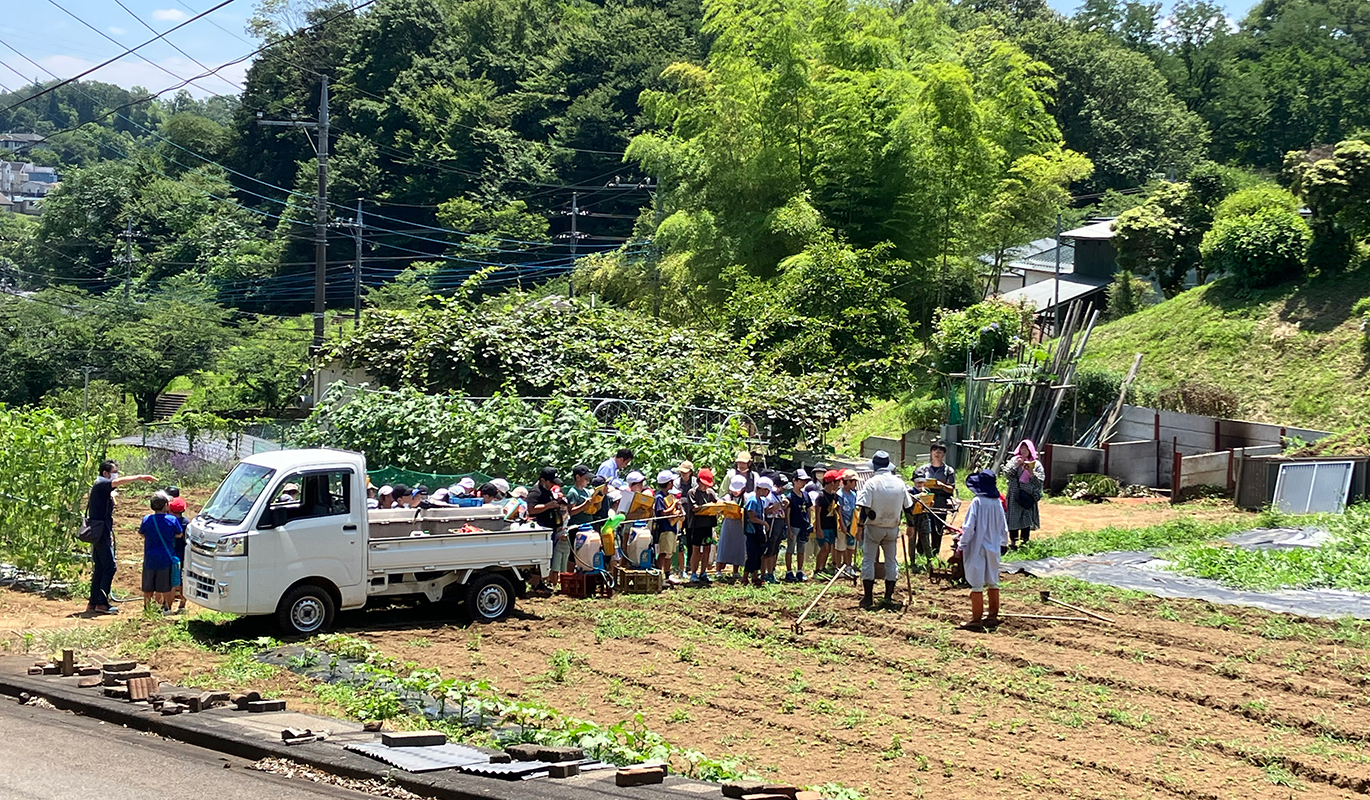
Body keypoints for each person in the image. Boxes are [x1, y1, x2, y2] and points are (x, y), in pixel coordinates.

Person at [85, 460, 157, 615]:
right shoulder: (102, 485)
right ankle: (102, 603)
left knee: (100, 567)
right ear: (105, 473)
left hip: (100, 531)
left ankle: (93, 602)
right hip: (101, 532)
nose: (116, 475)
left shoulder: (99, 487)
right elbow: (118, 482)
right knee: (110, 566)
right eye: (114, 471)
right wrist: (140, 477)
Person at [855, 451, 913, 610]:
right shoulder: (899, 483)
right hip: (892, 528)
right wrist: (911, 525)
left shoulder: (871, 483)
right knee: (891, 561)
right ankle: (888, 596)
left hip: (874, 527)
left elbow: (865, 508)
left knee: (868, 560)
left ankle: (868, 598)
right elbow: (908, 507)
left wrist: (859, 527)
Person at [958, 471, 1010, 630]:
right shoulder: (997, 503)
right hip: (994, 546)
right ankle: (992, 615)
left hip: (977, 547)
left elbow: (968, 528)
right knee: (993, 581)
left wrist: (961, 545)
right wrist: (1003, 544)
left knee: (977, 584)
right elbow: (1003, 528)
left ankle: (976, 619)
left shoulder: (977, 502)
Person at [140, 492, 182, 613]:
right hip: (166, 558)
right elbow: (179, 534)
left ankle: (147, 608)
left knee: (148, 586)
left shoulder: (147, 519)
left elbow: (142, 533)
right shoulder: (172, 519)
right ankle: (167, 608)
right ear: (165, 506)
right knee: (167, 586)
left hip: (150, 558)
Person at [913, 443, 956, 558]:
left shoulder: (948, 471)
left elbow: (951, 489)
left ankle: (934, 554)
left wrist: (941, 485)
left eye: (940, 451)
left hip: (941, 503)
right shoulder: (923, 469)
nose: (937, 453)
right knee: (923, 528)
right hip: (926, 502)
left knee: (938, 529)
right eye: (935, 451)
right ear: (931, 453)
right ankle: (921, 553)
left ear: (944, 455)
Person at [1004, 439, 1045, 548]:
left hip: (1028, 495)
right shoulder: (1014, 460)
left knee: (1026, 519)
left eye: (1026, 448)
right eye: (1022, 448)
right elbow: (1007, 474)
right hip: (1015, 495)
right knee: (1013, 518)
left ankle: (1024, 542)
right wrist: (1016, 465)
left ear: (1030, 450)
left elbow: (1040, 481)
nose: (1023, 451)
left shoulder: (1036, 464)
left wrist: (1031, 472)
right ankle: (1013, 542)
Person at [682, 467, 718, 584]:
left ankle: (703, 572)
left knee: (707, 548)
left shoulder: (710, 493)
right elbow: (694, 508)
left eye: (707, 485)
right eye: (703, 484)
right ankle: (693, 573)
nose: (705, 487)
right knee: (695, 549)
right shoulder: (692, 493)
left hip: (708, 525)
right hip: (696, 526)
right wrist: (707, 507)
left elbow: (717, 503)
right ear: (698, 481)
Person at [715, 474, 749, 580]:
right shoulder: (727, 497)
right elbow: (719, 506)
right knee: (724, 546)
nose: (735, 492)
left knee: (738, 547)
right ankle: (718, 570)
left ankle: (736, 570)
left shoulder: (746, 498)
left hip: (740, 525)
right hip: (728, 524)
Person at [653, 470, 684, 580]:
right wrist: (674, 504)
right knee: (663, 552)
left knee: (669, 553)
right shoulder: (659, 497)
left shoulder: (669, 496)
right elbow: (663, 513)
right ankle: (657, 574)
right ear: (669, 483)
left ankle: (667, 575)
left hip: (672, 528)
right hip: (664, 529)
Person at [784, 470, 813, 582]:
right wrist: (789, 528)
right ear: (794, 481)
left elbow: (809, 510)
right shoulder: (790, 497)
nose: (803, 483)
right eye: (801, 480)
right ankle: (789, 571)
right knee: (790, 549)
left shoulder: (806, 495)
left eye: (805, 481)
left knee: (801, 549)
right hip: (794, 525)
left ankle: (799, 571)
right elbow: (788, 514)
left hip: (803, 526)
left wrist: (809, 523)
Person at [743, 478, 770, 587]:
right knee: (752, 554)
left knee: (759, 554)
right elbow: (751, 517)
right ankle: (745, 577)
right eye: (766, 490)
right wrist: (764, 523)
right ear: (761, 489)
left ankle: (755, 576)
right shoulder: (752, 500)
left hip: (759, 531)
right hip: (752, 531)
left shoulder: (761, 501)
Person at [813, 470, 842, 575]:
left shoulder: (835, 496)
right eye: (837, 482)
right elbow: (817, 513)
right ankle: (817, 569)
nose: (839, 484)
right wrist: (818, 528)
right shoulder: (821, 496)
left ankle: (823, 567)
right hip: (823, 526)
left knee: (829, 548)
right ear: (832, 482)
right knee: (824, 547)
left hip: (831, 526)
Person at [762, 475, 788, 584]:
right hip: (771, 523)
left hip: (779, 522)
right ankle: (764, 573)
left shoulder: (780, 496)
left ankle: (771, 571)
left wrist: (784, 505)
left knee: (775, 548)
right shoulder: (769, 496)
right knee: (769, 548)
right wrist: (773, 508)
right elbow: (763, 511)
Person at [167, 492, 189, 612]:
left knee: (171, 580)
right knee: (183, 579)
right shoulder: (187, 523)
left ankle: (167, 605)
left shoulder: (169, 522)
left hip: (171, 554)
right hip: (184, 554)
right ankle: (182, 604)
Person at [835, 470, 860, 578]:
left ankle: (848, 566)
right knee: (840, 546)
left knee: (850, 546)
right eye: (854, 481)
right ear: (848, 482)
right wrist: (842, 524)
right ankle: (838, 566)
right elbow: (839, 510)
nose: (855, 484)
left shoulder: (854, 494)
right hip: (842, 523)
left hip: (852, 523)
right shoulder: (839, 494)